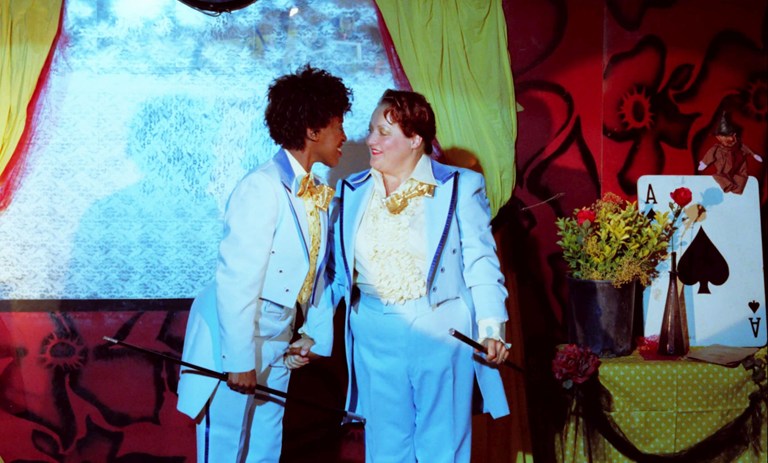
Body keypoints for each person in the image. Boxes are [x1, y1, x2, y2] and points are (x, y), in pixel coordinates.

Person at [176, 65, 352, 462]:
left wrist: (312, 336)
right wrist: (239, 361)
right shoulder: (261, 187)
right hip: (232, 347)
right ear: (313, 130)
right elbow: (236, 282)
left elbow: (319, 274)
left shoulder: (318, 194)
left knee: (263, 454)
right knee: (224, 453)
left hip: (279, 347)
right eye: (339, 124)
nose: (344, 136)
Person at [327, 89, 510, 462]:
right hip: (374, 333)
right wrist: (311, 331)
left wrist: (492, 329)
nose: (371, 140)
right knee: (385, 448)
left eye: (383, 132)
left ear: (415, 139)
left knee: (442, 447)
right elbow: (334, 272)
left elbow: (481, 262)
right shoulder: (351, 190)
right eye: (371, 130)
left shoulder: (460, 185)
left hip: (441, 329)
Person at [698, 111, 763, 194]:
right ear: (718, 137)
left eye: (732, 135)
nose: (731, 139)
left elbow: (745, 148)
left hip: (738, 166)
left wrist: (754, 155)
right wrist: (704, 163)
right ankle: (729, 185)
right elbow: (710, 154)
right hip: (724, 169)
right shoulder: (717, 149)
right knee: (719, 176)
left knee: (741, 177)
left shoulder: (738, 145)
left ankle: (736, 188)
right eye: (726, 136)